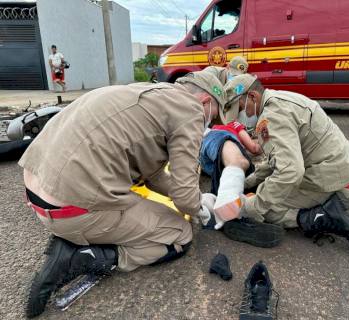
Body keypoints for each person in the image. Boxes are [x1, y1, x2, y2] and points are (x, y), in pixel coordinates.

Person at [20, 72, 225, 318]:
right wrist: (198, 207)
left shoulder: (148, 95)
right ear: (204, 101)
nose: (209, 124)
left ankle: (81, 236)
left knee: (147, 209)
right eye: (212, 117)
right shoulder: (191, 110)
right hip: (72, 211)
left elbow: (155, 175)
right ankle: (83, 256)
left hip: (37, 193)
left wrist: (196, 197)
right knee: (180, 234)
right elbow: (183, 196)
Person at [221, 74, 349, 254]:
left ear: (252, 96)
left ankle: (325, 217)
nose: (244, 116)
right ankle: (326, 199)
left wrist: (252, 207)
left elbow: (289, 172)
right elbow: (277, 158)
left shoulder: (271, 117)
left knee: (269, 208)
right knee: (266, 190)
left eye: (242, 108)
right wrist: (250, 181)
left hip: (330, 176)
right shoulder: (278, 100)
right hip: (341, 166)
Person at [200, 120, 261, 229]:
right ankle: (224, 206)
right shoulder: (235, 125)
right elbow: (254, 148)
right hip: (217, 137)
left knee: (252, 189)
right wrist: (268, 143)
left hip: (210, 156)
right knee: (240, 162)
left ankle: (219, 204)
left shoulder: (236, 144)